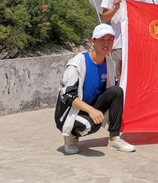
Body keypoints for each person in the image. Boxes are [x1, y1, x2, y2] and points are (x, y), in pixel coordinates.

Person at [55, 24, 136, 154]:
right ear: (92, 41)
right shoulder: (77, 63)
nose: (106, 43)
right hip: (72, 111)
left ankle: (114, 138)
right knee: (90, 125)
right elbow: (67, 96)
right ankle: (71, 134)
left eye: (109, 40)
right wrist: (91, 110)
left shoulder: (110, 63)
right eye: (102, 39)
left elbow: (110, 92)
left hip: (92, 106)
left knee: (117, 91)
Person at [100, 0, 138, 81]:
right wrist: (115, 8)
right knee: (118, 79)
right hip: (118, 43)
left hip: (136, 43)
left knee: (135, 78)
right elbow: (104, 18)